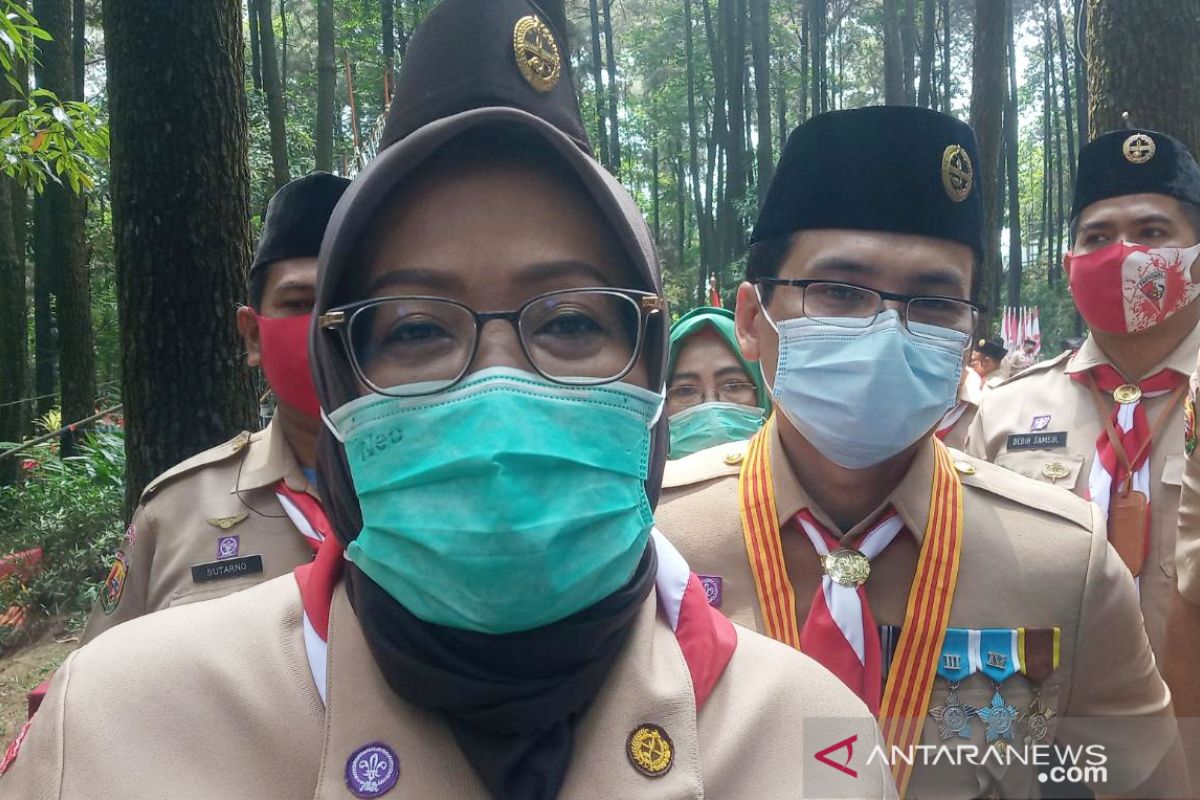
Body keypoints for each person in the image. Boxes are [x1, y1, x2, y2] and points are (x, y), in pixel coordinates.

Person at [0, 3, 896, 797]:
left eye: (575, 323)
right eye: (419, 331)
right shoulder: (119, 732)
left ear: (649, 372)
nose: (494, 384)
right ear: (342, 379)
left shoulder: (814, 744)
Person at [655, 107, 1185, 798]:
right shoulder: (653, 542)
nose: (885, 333)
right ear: (754, 321)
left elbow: (1144, 784)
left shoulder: (1065, 565)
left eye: (933, 302)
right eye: (839, 291)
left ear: (967, 334)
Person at [966, 129, 1200, 687]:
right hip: (1045, 743)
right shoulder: (1005, 415)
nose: (1122, 252)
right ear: (1071, 262)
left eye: (1151, 231)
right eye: (1097, 237)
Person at [80, 172, 349, 644]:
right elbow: (95, 686)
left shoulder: (459, 493)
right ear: (251, 334)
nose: (325, 325)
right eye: (300, 302)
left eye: (349, 303)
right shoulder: (176, 513)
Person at [665, 306, 768, 460]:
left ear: (762, 394)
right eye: (685, 391)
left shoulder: (796, 482)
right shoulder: (642, 483)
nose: (711, 408)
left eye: (734, 386)